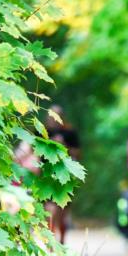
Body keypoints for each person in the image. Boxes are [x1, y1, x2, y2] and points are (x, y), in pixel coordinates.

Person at [44, 104, 81, 244]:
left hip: (65, 175)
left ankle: (62, 240)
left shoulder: (70, 133)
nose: (52, 119)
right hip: (45, 175)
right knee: (49, 208)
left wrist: (64, 147)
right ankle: (51, 241)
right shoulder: (41, 132)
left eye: (56, 115)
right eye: (50, 115)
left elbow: (78, 154)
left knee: (62, 209)